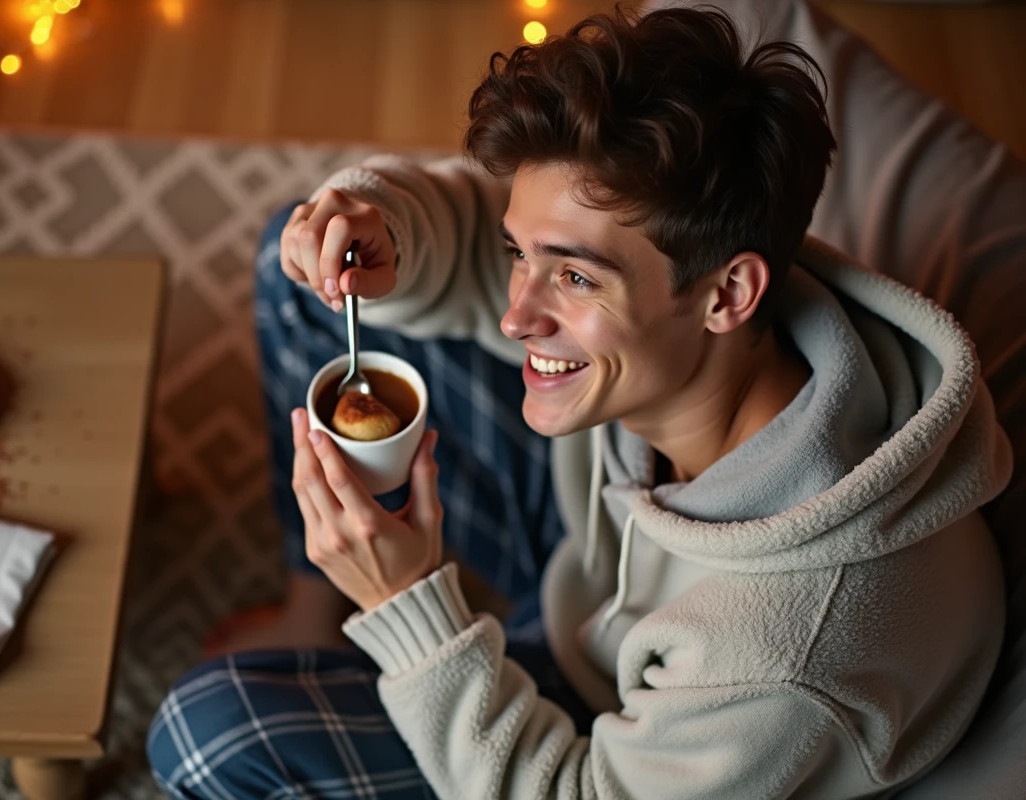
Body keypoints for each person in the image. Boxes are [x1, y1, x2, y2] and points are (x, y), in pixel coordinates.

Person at [148, 3, 1015, 798]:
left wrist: (405, 605)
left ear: (727, 294)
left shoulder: (789, 650)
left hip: (618, 737)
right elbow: (482, 249)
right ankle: (316, 607)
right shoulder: (720, 336)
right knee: (311, 278)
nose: (516, 312)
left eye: (571, 276)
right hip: (597, 563)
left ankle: (365, 600)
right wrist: (382, 224)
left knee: (207, 739)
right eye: (519, 253)